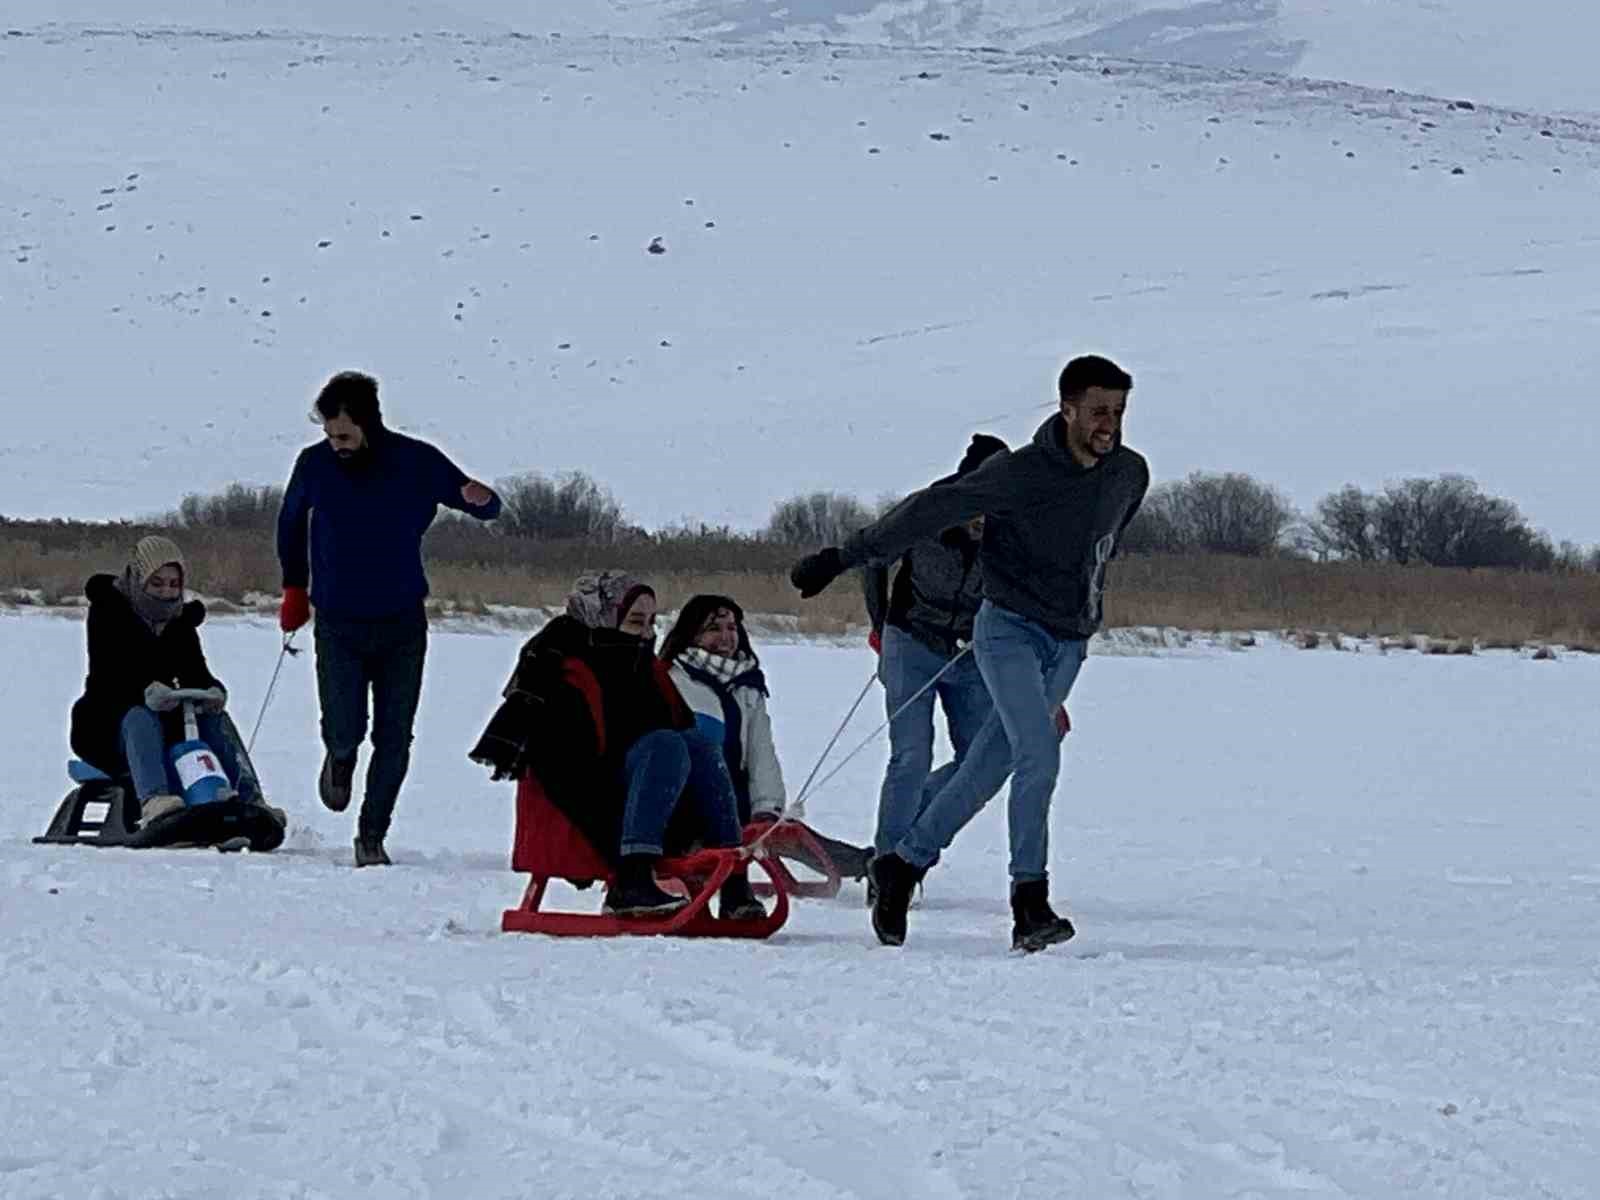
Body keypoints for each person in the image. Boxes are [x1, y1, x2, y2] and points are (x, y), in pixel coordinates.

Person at [790, 355, 1149, 952]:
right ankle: (1029, 901)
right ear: (1066, 409)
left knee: (990, 763)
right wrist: (841, 558)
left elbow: (1100, 549)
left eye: (1117, 412)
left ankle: (901, 865)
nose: (1107, 425)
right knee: (1038, 755)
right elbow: (929, 509)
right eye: (1096, 412)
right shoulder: (1019, 474)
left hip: (1069, 642)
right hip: (1007, 631)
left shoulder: (1129, 475)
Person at [276, 370, 503, 867]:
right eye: (330, 435)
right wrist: (295, 587)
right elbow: (291, 524)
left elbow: (473, 496)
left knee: (395, 735)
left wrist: (481, 501)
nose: (336, 444)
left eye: (344, 435)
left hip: (402, 621)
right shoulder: (314, 465)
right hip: (338, 621)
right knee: (346, 725)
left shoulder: (414, 460)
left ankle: (371, 834)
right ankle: (339, 758)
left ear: (369, 424)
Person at [469, 572, 765, 920]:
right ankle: (631, 881)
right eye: (636, 621)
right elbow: (561, 769)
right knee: (665, 744)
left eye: (652, 622)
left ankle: (732, 881)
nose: (647, 633)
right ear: (604, 618)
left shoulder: (644, 668)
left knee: (698, 743)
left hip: (650, 792)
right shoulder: (565, 669)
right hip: (587, 796)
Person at [863, 434, 1006, 885]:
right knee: (911, 755)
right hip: (911, 639)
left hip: (969, 653)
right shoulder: (924, 510)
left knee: (979, 760)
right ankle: (888, 866)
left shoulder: (1016, 530)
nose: (983, 519)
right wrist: (880, 623)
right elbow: (873, 558)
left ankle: (907, 842)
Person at [659, 595, 872, 881]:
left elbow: (761, 753)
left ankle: (869, 866)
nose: (725, 637)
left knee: (788, 835)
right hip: (685, 804)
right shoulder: (672, 678)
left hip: (738, 799)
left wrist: (767, 810)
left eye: (731, 628)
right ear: (692, 634)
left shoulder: (748, 684)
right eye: (714, 629)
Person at [69, 535, 264, 825]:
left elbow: (195, 672)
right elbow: (108, 674)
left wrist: (213, 691)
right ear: (138, 579)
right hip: (107, 724)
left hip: (168, 720)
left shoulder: (180, 621)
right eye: (157, 583)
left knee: (214, 719)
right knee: (140, 715)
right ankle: (154, 800)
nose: (165, 592)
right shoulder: (107, 611)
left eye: (173, 585)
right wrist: (147, 692)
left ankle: (250, 799)